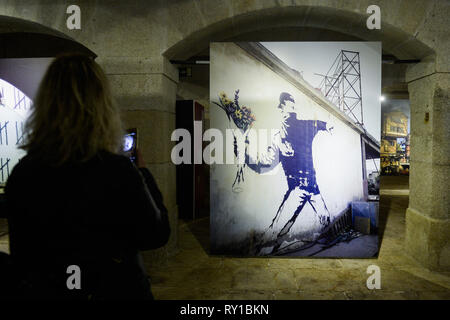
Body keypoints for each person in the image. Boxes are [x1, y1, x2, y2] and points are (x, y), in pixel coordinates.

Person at [4, 54, 170, 299]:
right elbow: (156, 234)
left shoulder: (23, 173)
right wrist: (143, 172)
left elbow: (23, 255)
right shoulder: (117, 169)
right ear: (102, 104)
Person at [245, 92, 333, 255]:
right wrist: (246, 156)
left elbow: (318, 124)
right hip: (297, 189)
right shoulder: (278, 138)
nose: (291, 107)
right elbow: (266, 164)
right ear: (280, 109)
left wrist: (327, 126)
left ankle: (325, 242)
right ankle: (262, 253)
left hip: (314, 188)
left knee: (325, 218)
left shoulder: (303, 126)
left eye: (292, 104)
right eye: (286, 105)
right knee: (278, 228)